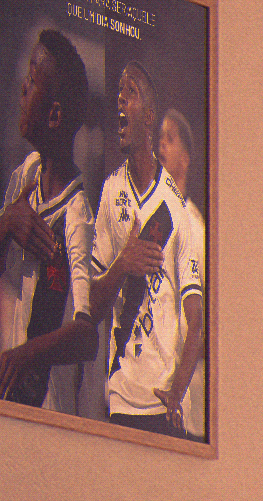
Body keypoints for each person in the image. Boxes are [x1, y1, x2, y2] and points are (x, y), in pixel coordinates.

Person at [88, 61, 205, 438]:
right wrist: (122, 265)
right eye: (118, 92)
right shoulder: (111, 191)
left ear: (149, 116)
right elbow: (92, 305)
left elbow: (197, 318)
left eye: (131, 92)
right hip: (121, 398)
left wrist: (177, 391)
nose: (120, 100)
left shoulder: (178, 210)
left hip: (164, 404)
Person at [0, 30, 96, 412]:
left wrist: (26, 354)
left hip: (51, 409)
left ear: (54, 115)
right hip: (12, 398)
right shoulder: (27, 174)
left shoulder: (77, 216)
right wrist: (6, 223)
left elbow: (86, 336)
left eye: (32, 81)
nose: (22, 89)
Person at [155, 106, 206, 438]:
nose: (160, 145)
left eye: (169, 139)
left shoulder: (195, 227)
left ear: (186, 159)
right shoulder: (150, 215)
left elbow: (202, 323)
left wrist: (177, 386)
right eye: (158, 138)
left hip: (182, 395)